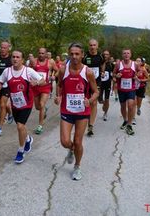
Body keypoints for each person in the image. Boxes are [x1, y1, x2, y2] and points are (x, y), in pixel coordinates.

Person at [55, 43, 99, 180]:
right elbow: (59, 85)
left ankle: (77, 167)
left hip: (82, 112)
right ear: (69, 54)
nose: (74, 56)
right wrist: (59, 96)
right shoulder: (63, 70)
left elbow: (96, 92)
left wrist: (90, 100)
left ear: (82, 55)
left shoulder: (88, 72)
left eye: (77, 54)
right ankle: (71, 149)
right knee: (64, 141)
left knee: (78, 141)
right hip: (67, 110)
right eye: (72, 54)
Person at [0, 50, 45, 164]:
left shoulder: (28, 71)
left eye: (18, 57)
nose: (15, 59)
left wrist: (36, 83)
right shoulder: (7, 71)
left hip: (27, 104)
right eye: (13, 57)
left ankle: (20, 151)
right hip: (15, 104)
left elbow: (43, 80)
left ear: (22, 60)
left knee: (19, 126)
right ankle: (28, 139)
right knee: (21, 127)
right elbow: (0, 81)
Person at [112, 49, 140, 136]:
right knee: (123, 107)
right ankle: (125, 120)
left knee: (131, 105)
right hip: (121, 89)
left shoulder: (135, 64)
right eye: (124, 53)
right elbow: (113, 74)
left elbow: (139, 71)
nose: (126, 55)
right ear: (122, 55)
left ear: (131, 54)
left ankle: (129, 125)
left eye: (128, 53)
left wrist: (136, 76)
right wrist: (116, 76)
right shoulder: (118, 64)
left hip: (131, 89)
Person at [30, 48, 57, 134]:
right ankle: (44, 109)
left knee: (41, 104)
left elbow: (58, 70)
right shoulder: (34, 61)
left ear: (46, 54)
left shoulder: (50, 62)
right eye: (39, 53)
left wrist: (54, 76)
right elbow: (27, 71)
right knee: (38, 107)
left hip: (46, 86)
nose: (41, 55)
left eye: (43, 53)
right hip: (36, 87)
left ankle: (40, 126)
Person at [82, 39, 104, 136]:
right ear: (88, 46)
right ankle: (82, 118)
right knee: (85, 100)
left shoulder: (100, 56)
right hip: (85, 81)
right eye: (90, 45)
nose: (92, 47)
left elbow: (103, 63)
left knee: (94, 101)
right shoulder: (85, 56)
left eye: (94, 45)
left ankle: (90, 126)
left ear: (97, 46)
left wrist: (102, 71)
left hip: (97, 81)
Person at [100, 50, 114, 121]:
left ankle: (105, 114)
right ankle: (103, 103)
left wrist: (114, 78)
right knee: (99, 100)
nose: (105, 56)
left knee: (107, 99)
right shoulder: (99, 63)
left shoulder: (111, 64)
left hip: (107, 84)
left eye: (107, 54)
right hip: (100, 84)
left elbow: (114, 73)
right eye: (104, 54)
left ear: (109, 55)